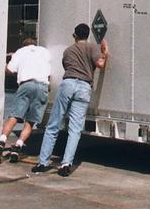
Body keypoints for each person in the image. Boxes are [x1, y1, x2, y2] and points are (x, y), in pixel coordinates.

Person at [32, 23, 108, 176]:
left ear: (75, 35)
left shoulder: (68, 51)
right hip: (84, 87)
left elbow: (66, 67)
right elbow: (100, 64)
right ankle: (66, 164)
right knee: (75, 129)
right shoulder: (92, 48)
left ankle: (42, 162)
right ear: (87, 35)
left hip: (68, 84)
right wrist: (105, 52)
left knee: (53, 124)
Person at [0, 35, 51, 164]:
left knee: (14, 116)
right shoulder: (45, 52)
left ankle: (1, 142)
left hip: (26, 85)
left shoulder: (20, 52)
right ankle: (18, 146)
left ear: (24, 45)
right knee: (30, 121)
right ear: (35, 44)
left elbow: (9, 70)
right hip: (42, 86)